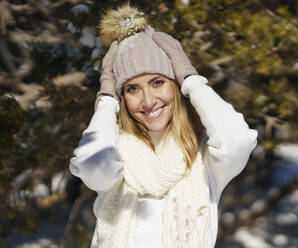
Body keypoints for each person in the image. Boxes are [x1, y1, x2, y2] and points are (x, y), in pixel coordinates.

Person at [69, 4, 258, 248]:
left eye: (157, 82)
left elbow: (238, 141)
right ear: (122, 98)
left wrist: (191, 80)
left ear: (175, 86)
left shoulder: (205, 163)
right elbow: (93, 164)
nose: (148, 101)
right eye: (132, 89)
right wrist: (105, 102)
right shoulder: (116, 156)